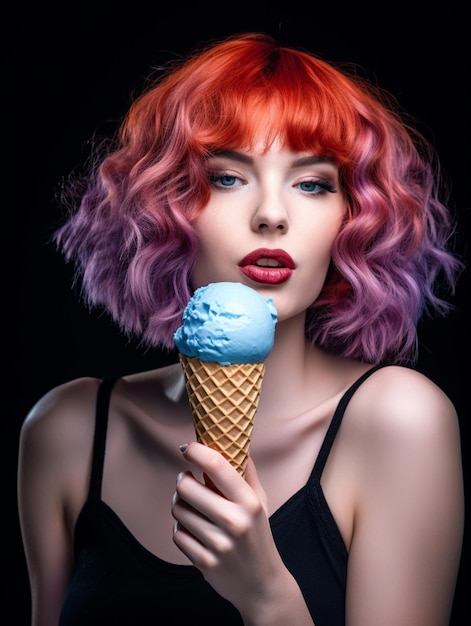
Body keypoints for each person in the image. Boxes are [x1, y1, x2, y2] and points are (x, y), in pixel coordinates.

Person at [18, 32, 464, 626]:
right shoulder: (69, 429)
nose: (272, 214)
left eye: (313, 183)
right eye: (228, 177)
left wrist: (267, 596)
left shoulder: (398, 422)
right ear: (167, 205)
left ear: (353, 218)